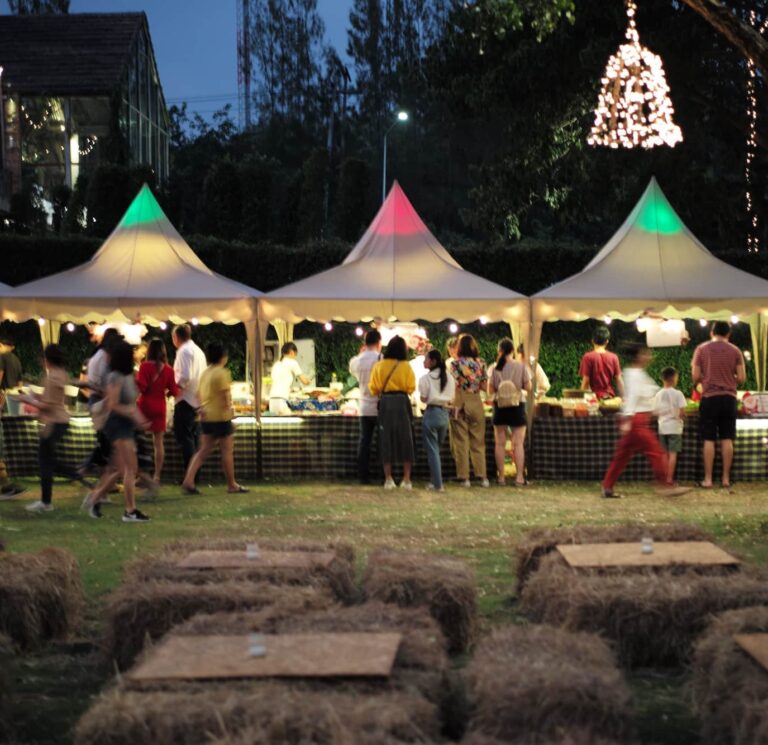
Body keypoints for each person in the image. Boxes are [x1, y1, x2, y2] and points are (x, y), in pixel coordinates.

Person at [601, 344, 689, 499]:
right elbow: (633, 396)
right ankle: (665, 484)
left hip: (636, 418)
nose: (649, 356)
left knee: (622, 455)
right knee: (655, 451)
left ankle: (607, 486)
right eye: (645, 353)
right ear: (639, 356)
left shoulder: (635, 373)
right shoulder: (635, 375)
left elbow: (638, 397)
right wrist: (628, 417)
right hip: (637, 420)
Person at [88, 340, 150, 522]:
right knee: (131, 468)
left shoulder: (128, 376)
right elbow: (113, 404)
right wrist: (132, 414)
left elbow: (131, 405)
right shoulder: (114, 377)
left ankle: (94, 499)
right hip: (117, 425)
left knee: (119, 469)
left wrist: (140, 420)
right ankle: (130, 511)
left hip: (126, 425)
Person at [22, 344, 85, 512]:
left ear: (47, 359)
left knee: (46, 462)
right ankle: (77, 474)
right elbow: (51, 398)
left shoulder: (52, 377)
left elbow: (47, 406)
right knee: (48, 460)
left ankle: (47, 501)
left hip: (54, 422)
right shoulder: (61, 374)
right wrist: (35, 395)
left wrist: (29, 400)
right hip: (60, 421)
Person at [181, 343, 248, 495]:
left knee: (203, 450)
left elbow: (197, 394)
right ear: (223, 357)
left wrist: (200, 409)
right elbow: (225, 395)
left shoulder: (205, 373)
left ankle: (188, 480)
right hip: (221, 417)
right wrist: (230, 412)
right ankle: (232, 484)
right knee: (227, 451)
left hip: (206, 416)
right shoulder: (222, 372)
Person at [692, 321, 746, 489]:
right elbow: (742, 378)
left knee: (709, 438)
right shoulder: (735, 350)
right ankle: (725, 479)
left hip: (709, 398)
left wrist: (707, 380)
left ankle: (708, 480)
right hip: (729, 398)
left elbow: (695, 376)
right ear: (728, 334)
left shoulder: (701, 349)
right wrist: (729, 381)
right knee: (727, 438)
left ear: (711, 332)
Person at [369, 335, 416, 490]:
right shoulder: (406, 366)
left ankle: (388, 479)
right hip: (403, 402)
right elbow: (411, 387)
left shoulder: (379, 366)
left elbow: (373, 388)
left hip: (386, 403)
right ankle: (407, 479)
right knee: (406, 439)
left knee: (385, 438)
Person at [489, 338, 532, 486]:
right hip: (517, 405)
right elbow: (529, 387)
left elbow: (490, 389)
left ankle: (501, 477)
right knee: (518, 443)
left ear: (499, 351)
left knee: (499, 443)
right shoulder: (521, 366)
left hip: (500, 407)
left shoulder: (494, 368)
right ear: (513, 350)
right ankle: (519, 477)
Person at [137, 338, 180, 483]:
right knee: (158, 443)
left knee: (139, 441)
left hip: (144, 406)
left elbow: (141, 388)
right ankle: (157, 475)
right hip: (160, 406)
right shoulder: (169, 369)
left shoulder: (144, 367)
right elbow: (175, 391)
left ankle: (141, 475)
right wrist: (164, 392)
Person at [450, 334, 489, 488]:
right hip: (476, 401)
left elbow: (453, 385)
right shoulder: (481, 364)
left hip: (459, 401)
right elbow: (485, 386)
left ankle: (464, 477)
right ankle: (482, 476)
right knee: (478, 441)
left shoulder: (455, 364)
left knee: (460, 441)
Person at [172, 323, 207, 475]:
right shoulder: (198, 350)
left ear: (176, 337)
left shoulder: (184, 351)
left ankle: (190, 475)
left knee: (186, 440)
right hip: (197, 399)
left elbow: (184, 377)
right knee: (194, 439)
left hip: (185, 399)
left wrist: (173, 389)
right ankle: (194, 475)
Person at [419, 349, 455, 492]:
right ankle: (435, 481)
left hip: (431, 413)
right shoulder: (449, 378)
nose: (424, 361)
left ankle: (438, 484)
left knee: (433, 451)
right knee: (436, 450)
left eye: (426, 359)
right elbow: (452, 397)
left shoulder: (425, 379)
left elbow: (423, 398)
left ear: (433, 361)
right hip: (444, 414)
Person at [349, 329, 382, 483]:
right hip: (379, 406)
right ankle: (383, 474)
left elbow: (353, 371)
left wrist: (359, 353)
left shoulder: (356, 361)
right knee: (382, 441)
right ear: (379, 343)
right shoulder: (381, 359)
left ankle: (363, 476)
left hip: (363, 406)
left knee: (364, 442)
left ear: (364, 343)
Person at [653, 366, 686, 486]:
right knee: (673, 454)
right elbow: (682, 412)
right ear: (673, 378)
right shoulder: (678, 394)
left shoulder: (658, 394)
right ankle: (669, 479)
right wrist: (682, 417)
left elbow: (655, 411)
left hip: (662, 427)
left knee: (664, 454)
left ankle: (664, 477)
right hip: (675, 428)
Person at [579, 326, 624, 400]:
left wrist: (580, 399)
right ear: (607, 341)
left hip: (593, 399)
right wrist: (624, 396)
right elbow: (619, 379)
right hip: (609, 398)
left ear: (592, 341)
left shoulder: (588, 357)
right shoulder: (614, 357)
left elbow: (585, 381)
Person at [269, 342, 310, 415]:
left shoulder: (277, 364)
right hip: (281, 398)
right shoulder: (292, 362)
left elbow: (278, 381)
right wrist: (308, 381)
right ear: (292, 352)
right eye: (295, 355)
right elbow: (304, 381)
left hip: (272, 399)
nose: (295, 357)